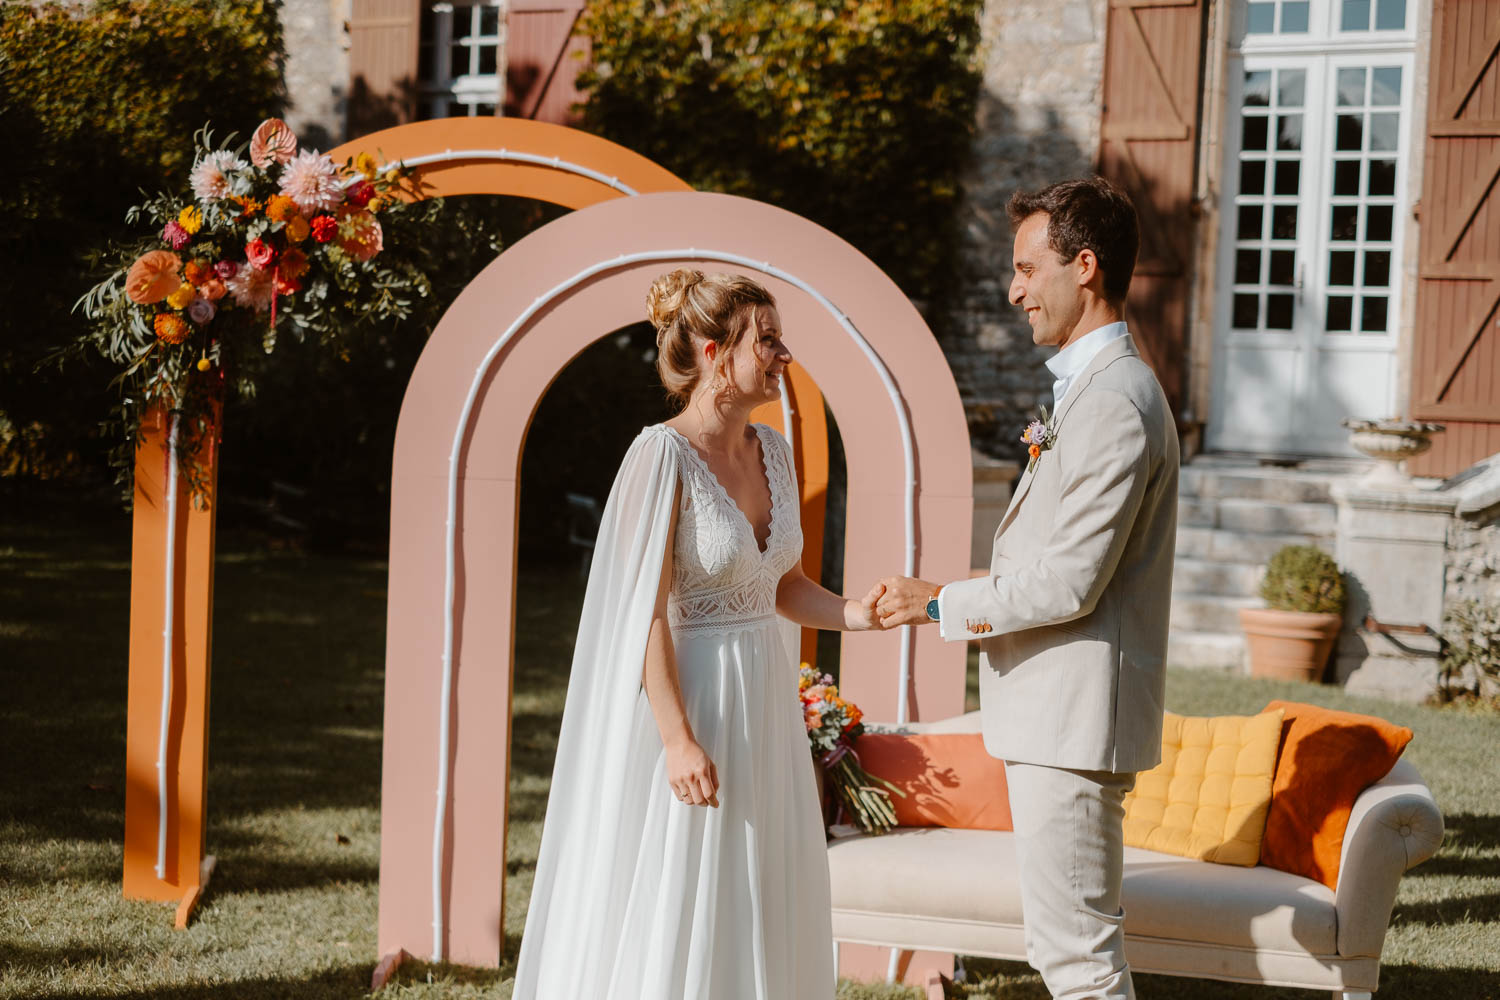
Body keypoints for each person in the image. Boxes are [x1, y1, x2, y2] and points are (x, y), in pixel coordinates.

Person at [512, 268, 885, 1000]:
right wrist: (677, 739)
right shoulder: (660, 457)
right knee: (682, 880)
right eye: (768, 341)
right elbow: (643, 611)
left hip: (766, 706)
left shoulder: (774, 453)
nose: (785, 357)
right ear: (716, 352)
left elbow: (779, 583)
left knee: (754, 879)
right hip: (691, 705)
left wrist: (854, 613)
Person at [876, 176, 1179, 1000]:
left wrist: (942, 601)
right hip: (1054, 719)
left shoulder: (1116, 400)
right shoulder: (1090, 392)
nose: (1013, 292)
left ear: (1084, 267)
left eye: (1025, 268)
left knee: (1075, 958)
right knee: (1064, 947)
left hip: (1072, 727)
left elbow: (1072, 581)